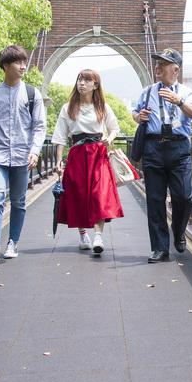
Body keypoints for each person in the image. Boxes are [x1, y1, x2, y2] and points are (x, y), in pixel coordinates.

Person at [0, 45, 47, 268]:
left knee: (18, 201)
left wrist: (35, 151)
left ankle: (12, 243)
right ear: (5, 66)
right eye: (18, 62)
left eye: (24, 62)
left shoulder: (32, 93)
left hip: (22, 156)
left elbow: (39, 126)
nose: (23, 66)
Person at [132, 48, 192, 263]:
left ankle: (179, 230)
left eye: (163, 64)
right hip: (153, 148)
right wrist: (139, 116)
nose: (158, 68)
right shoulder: (146, 92)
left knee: (184, 197)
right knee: (154, 200)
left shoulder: (187, 92)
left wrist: (178, 101)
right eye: (157, 64)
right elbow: (135, 114)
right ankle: (160, 248)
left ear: (176, 70)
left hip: (179, 148)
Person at [51, 68, 123, 254]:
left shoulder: (103, 107)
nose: (81, 83)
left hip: (98, 154)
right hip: (77, 155)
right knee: (78, 195)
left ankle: (98, 236)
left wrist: (110, 138)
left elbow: (114, 128)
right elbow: (60, 136)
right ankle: (83, 234)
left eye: (86, 80)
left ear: (95, 85)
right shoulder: (67, 108)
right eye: (79, 80)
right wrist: (59, 161)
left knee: (100, 194)